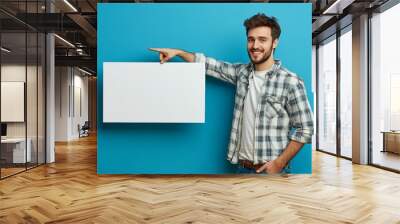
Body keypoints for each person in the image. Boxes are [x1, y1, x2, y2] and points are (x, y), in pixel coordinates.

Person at [149, 13, 314, 174]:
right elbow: (209, 65)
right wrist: (178, 52)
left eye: (262, 40)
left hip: (271, 171)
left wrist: (279, 163)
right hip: (242, 168)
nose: (255, 45)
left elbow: (305, 128)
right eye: (251, 39)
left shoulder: (290, 81)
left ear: (275, 42)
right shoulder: (241, 73)